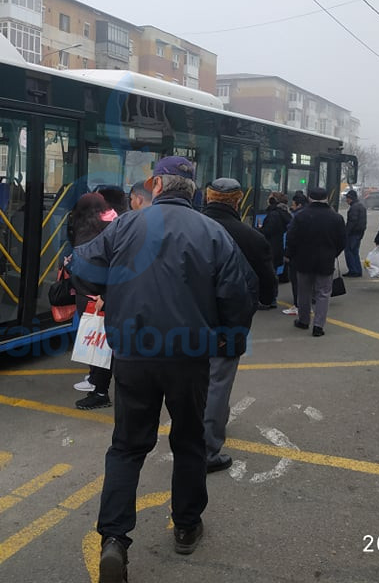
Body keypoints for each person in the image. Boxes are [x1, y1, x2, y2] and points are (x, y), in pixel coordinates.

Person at [69, 156, 257, 582]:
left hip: (133, 354)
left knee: (127, 447)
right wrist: (228, 338)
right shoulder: (213, 232)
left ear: (156, 185)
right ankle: (187, 526)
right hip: (189, 356)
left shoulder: (125, 226)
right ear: (194, 189)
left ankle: (114, 539)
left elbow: (83, 267)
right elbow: (239, 294)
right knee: (189, 441)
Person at [202, 178, 277, 473]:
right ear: (237, 201)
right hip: (228, 324)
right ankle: (207, 448)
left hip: (184, 319)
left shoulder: (189, 228)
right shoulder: (251, 237)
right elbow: (268, 284)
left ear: (208, 198)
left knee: (191, 380)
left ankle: (195, 432)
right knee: (218, 382)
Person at [68, 193, 119, 409]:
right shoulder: (100, 228)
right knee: (96, 345)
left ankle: (100, 392)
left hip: (96, 298)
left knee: (101, 347)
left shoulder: (105, 230)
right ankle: (95, 383)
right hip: (90, 296)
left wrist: (106, 296)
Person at [285, 186, 346, 336]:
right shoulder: (336, 218)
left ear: (309, 198)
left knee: (303, 292)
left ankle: (303, 321)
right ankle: (318, 326)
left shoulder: (300, 216)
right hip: (325, 261)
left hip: (303, 260)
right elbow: (342, 242)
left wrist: (289, 255)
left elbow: (291, 238)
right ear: (327, 198)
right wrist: (332, 254)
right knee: (323, 293)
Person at [259, 191, 292, 309]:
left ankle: (270, 300)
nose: (268, 200)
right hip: (277, 247)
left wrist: (259, 230)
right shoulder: (282, 213)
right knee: (272, 274)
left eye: (269, 198)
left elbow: (268, 231)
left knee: (269, 274)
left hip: (271, 247)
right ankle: (271, 299)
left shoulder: (274, 214)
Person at [280, 191, 309, 316]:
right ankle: (305, 305)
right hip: (309, 254)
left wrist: (287, 254)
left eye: (293, 203)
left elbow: (291, 237)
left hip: (297, 255)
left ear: (299, 205)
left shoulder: (297, 217)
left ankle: (298, 305)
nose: (292, 205)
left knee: (296, 281)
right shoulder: (311, 214)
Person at [343, 189, 367, 277]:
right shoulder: (361, 206)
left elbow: (352, 222)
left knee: (349, 251)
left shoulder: (354, 208)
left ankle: (353, 270)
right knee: (355, 252)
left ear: (351, 198)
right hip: (359, 233)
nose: (346, 200)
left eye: (347, 198)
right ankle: (357, 270)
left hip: (353, 233)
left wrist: (346, 232)